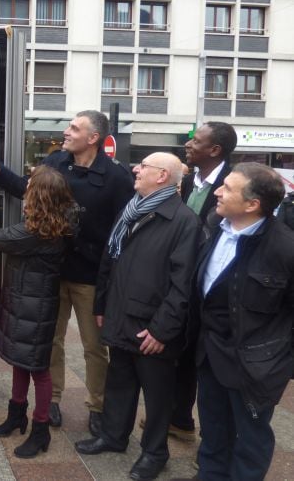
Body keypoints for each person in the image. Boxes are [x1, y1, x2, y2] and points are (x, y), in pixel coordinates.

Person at [0, 110, 134, 437]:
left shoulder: (116, 178)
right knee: (49, 341)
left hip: (90, 276)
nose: (66, 132)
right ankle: (50, 399)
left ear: (93, 138)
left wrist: (111, 281)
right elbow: (30, 189)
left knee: (95, 346)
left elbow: (122, 233)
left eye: (74, 128)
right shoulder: (56, 162)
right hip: (52, 274)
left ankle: (98, 406)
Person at [75, 153, 202, 481]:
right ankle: (114, 437)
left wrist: (162, 331)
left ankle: (154, 452)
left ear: (162, 176)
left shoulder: (183, 221)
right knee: (119, 383)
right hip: (121, 315)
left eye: (143, 166)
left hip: (152, 328)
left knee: (158, 396)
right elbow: (110, 259)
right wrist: (102, 306)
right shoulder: (133, 209)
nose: (135, 168)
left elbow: (182, 285)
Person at [195, 163, 294, 480]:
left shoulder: (285, 248)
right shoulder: (214, 225)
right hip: (210, 353)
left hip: (254, 364)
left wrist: (278, 364)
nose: (218, 192)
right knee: (212, 426)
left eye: (227, 188)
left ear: (252, 204)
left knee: (250, 437)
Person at [0, 165, 76, 458]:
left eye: (31, 186)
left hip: (35, 307)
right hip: (26, 303)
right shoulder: (56, 220)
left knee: (38, 370)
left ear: (41, 196)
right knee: (20, 361)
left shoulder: (38, 231)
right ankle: (17, 414)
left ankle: (40, 429)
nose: (26, 190)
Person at [160, 121, 237, 442]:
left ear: (214, 150)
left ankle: (214, 441)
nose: (188, 145)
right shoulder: (190, 182)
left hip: (213, 290)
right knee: (183, 353)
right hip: (183, 281)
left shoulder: (233, 186)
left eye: (196, 141)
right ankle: (179, 418)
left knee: (205, 363)